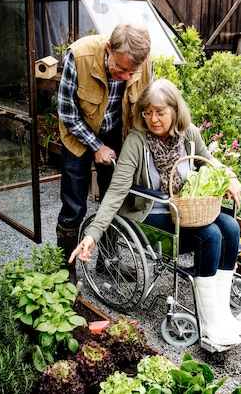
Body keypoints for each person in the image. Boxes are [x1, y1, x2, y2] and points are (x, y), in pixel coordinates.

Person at [69, 79, 241, 346]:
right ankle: (210, 323)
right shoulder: (136, 141)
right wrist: (93, 234)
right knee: (210, 235)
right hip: (150, 216)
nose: (153, 119)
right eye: (148, 112)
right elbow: (117, 191)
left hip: (185, 211)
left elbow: (210, 161)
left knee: (232, 228)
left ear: (175, 111)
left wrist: (230, 175)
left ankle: (222, 314)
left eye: (160, 112)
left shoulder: (188, 134)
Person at [55, 21, 153, 284]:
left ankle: (108, 262)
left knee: (115, 200)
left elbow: (146, 107)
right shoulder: (78, 56)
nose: (127, 76)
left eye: (133, 71)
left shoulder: (141, 64)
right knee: (74, 205)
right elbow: (67, 114)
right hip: (78, 133)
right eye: (121, 69)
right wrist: (96, 145)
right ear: (109, 48)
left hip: (117, 133)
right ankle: (65, 270)